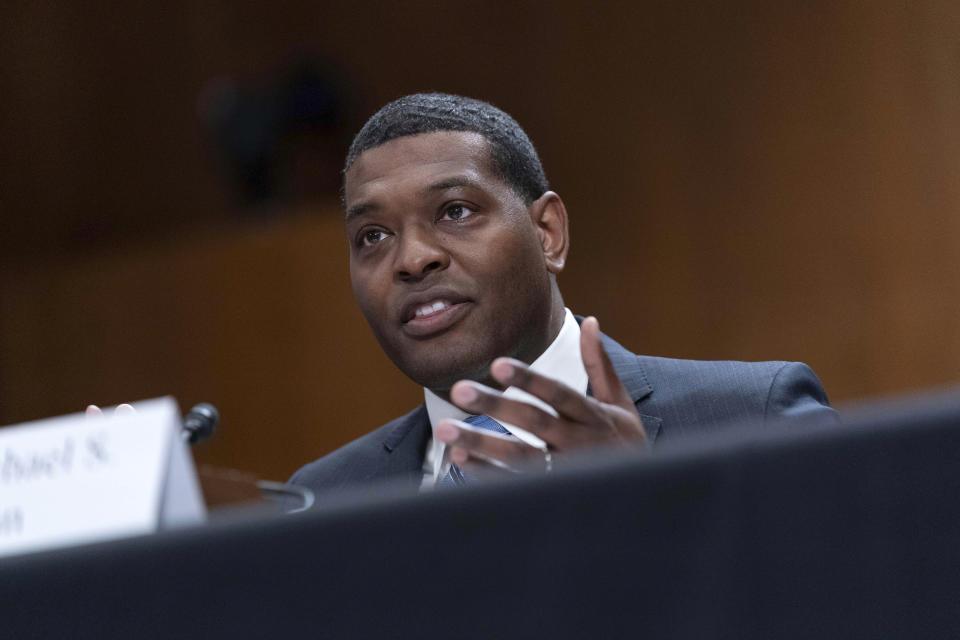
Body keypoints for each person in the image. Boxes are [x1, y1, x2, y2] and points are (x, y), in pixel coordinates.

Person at [290, 93, 836, 494]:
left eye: (455, 211)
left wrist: (644, 517)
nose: (412, 259)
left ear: (548, 233)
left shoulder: (752, 421)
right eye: (373, 236)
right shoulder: (323, 498)